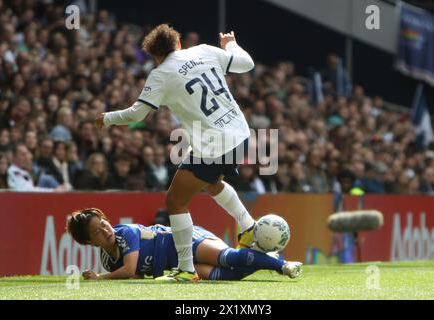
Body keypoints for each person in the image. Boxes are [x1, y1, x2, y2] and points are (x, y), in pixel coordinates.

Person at [95, 24, 259, 282]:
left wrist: (107, 118)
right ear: (178, 44)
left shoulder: (160, 74)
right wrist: (230, 44)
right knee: (212, 183)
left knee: (175, 201)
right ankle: (249, 226)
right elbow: (247, 64)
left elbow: (137, 114)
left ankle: (186, 269)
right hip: (240, 133)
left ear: (155, 55)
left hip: (214, 144)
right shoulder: (205, 50)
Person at [67, 208, 302, 281]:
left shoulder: (125, 233)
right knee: (227, 276)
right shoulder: (109, 261)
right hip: (177, 264)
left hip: (183, 240)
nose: (105, 231)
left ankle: (282, 265)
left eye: (104, 224)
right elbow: (134, 278)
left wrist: (99, 279)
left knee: (228, 258)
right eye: (97, 232)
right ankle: (259, 251)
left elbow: (129, 270)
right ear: (89, 242)